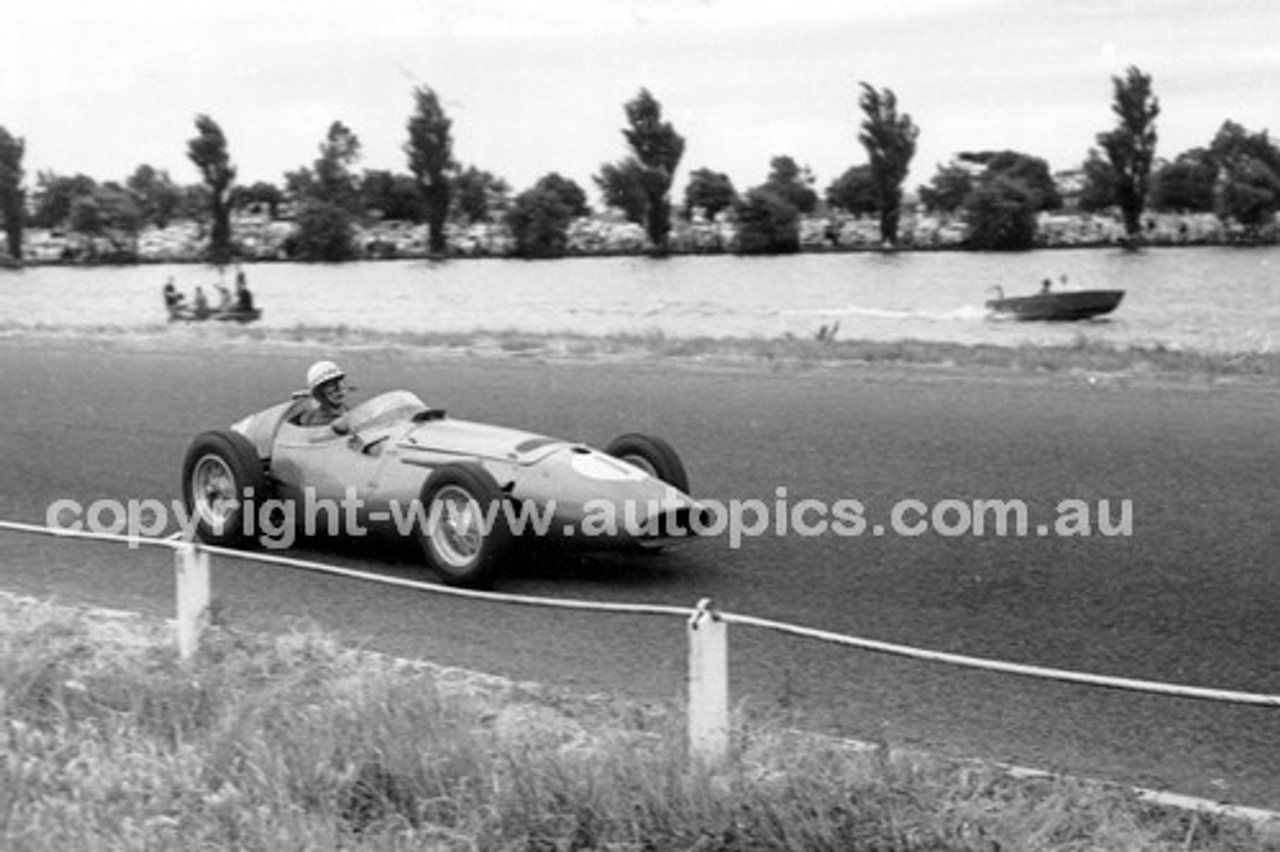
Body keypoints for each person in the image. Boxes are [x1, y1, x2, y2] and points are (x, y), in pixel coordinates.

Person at [298, 360, 350, 432]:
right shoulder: (318, 422)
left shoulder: (342, 408)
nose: (338, 390)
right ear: (320, 393)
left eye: (340, 382)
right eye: (331, 385)